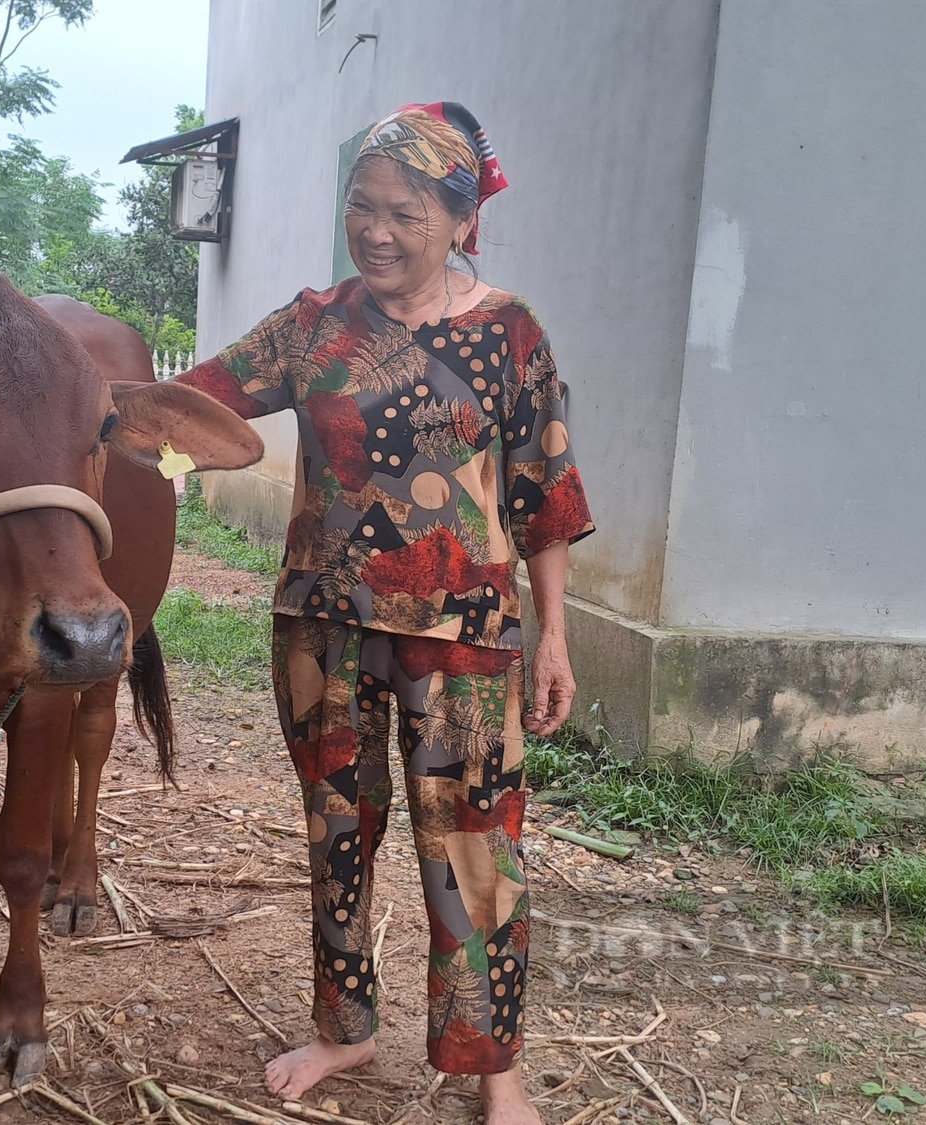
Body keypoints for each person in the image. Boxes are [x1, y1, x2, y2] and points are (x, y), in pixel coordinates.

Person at [175, 102, 593, 1125]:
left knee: (475, 853)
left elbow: (545, 498)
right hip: (320, 631)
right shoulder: (313, 325)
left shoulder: (508, 333)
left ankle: (492, 1071)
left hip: (465, 642)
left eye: (402, 211)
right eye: (359, 206)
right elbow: (193, 404)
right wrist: (74, 410)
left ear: (458, 219)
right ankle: (340, 1034)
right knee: (335, 838)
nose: (374, 229)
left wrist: (556, 642)